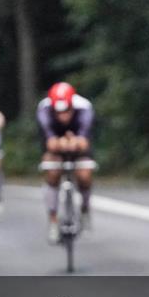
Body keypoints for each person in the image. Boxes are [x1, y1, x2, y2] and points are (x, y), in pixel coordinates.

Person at [37, 82, 95, 244]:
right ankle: (53, 220)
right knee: (52, 172)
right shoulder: (44, 109)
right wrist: (62, 143)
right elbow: (50, 142)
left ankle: (85, 209)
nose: (63, 116)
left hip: (78, 144)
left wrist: (73, 142)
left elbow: (83, 141)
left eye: (66, 111)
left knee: (84, 174)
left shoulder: (84, 108)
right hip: (56, 146)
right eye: (58, 112)